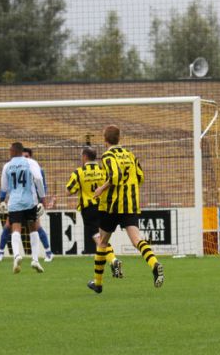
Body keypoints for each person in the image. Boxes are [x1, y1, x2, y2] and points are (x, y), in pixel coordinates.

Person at [88, 125, 163, 293]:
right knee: (137, 240)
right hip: (130, 204)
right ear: (119, 138)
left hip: (111, 206)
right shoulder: (130, 155)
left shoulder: (107, 156)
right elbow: (140, 177)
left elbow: (115, 176)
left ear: (105, 139)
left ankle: (98, 283)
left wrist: (101, 189)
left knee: (102, 242)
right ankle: (154, 264)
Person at [66, 147, 122, 277]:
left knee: (99, 240)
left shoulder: (79, 172)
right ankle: (113, 261)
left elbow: (69, 191)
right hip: (103, 207)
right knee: (103, 238)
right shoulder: (103, 170)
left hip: (89, 210)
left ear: (85, 157)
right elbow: (111, 183)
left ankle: (113, 260)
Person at [0, 147, 54, 263]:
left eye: (26, 156)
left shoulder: (35, 168)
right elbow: (7, 186)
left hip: (31, 202)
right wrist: (2, 200)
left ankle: (48, 252)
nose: (24, 158)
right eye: (23, 156)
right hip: (17, 202)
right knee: (8, 225)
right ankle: (0, 252)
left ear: (30, 157)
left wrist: (40, 201)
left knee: (36, 227)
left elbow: (42, 185)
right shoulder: (14, 167)